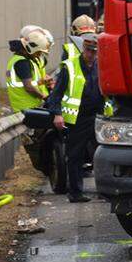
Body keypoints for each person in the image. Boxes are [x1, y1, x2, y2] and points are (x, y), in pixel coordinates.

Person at [46, 33, 104, 203]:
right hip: (78, 119)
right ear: (83, 49)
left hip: (98, 116)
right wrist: (57, 114)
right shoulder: (69, 67)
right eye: (88, 50)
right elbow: (55, 96)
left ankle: (104, 191)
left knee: (101, 156)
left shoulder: (100, 66)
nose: (91, 54)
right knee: (75, 156)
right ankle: (76, 193)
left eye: (94, 51)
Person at [6, 28, 51, 112]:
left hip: (24, 107)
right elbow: (28, 87)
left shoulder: (17, 59)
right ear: (31, 49)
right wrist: (45, 97)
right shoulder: (22, 62)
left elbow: (25, 83)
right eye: (38, 52)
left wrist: (41, 82)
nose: (39, 55)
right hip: (27, 108)